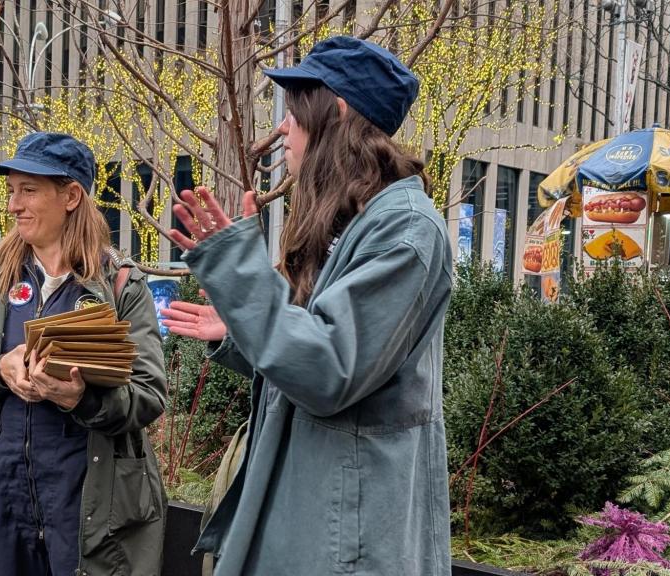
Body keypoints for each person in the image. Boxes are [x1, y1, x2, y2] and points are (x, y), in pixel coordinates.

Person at [162, 36, 453, 575]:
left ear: (336, 113)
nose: (283, 134)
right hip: (322, 512)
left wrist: (244, 281)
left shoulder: (406, 230)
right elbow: (323, 353)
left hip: (347, 537)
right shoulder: (362, 220)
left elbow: (329, 370)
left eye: (293, 118)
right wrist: (241, 329)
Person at [0, 132, 168, 576]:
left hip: (87, 513)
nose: (13, 205)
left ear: (72, 195)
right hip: (5, 504)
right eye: (11, 191)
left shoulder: (119, 284)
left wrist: (81, 400)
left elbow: (150, 394)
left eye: (29, 190)